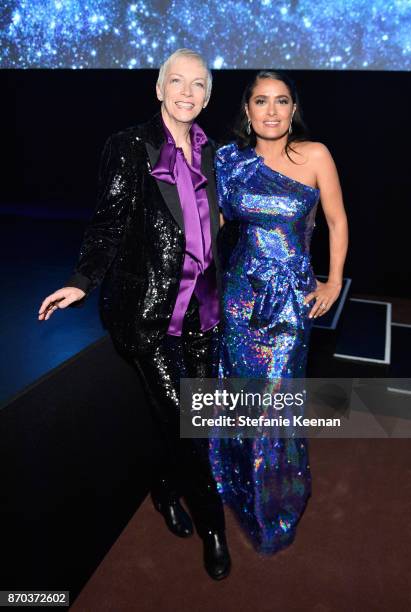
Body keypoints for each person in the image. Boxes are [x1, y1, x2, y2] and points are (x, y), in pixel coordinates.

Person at [38, 49, 231, 580]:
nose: (187, 92)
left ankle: (166, 488)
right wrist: (82, 280)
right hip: (146, 314)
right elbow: (109, 223)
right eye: (177, 81)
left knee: (194, 418)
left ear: (208, 96)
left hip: (203, 313)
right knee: (188, 422)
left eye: (198, 84)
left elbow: (216, 228)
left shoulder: (215, 152)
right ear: (158, 87)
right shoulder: (128, 147)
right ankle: (214, 526)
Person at [210, 70, 348, 554]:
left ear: (294, 109)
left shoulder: (315, 155)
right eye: (261, 101)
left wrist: (332, 280)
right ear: (246, 110)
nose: (271, 110)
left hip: (290, 299)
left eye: (282, 101)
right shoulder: (230, 161)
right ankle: (237, 484)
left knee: (276, 400)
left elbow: (336, 219)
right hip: (239, 297)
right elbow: (216, 222)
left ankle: (277, 499)